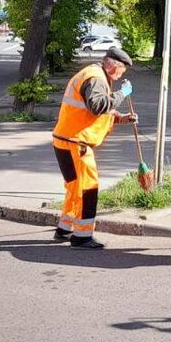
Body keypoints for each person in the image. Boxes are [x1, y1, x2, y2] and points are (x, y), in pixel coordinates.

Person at [51, 46, 138, 249]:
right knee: (88, 188)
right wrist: (122, 94)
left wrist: (121, 119)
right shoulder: (95, 77)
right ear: (115, 66)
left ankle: (64, 228)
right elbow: (97, 105)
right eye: (123, 69)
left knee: (75, 187)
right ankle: (82, 236)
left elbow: (91, 114)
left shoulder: (93, 74)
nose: (122, 74)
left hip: (66, 139)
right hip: (76, 143)